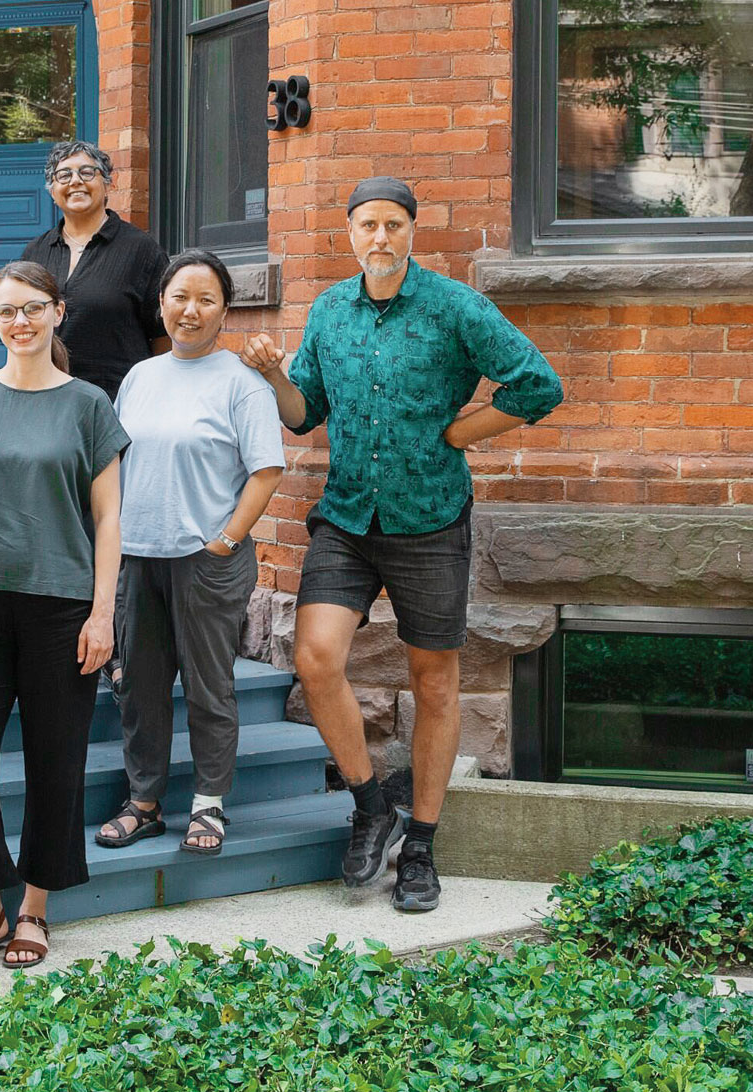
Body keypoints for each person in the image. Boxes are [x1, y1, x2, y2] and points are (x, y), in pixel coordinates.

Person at [240, 177, 563, 914]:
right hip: (349, 519)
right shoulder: (329, 311)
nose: (379, 237)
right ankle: (368, 805)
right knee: (315, 656)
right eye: (366, 225)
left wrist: (463, 431)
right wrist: (271, 374)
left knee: (435, 682)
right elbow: (302, 415)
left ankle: (420, 841)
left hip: (429, 520)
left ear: (412, 230)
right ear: (347, 234)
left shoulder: (455, 307)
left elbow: (537, 384)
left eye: (392, 224)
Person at [0, 260, 129, 972]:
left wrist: (103, 612)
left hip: (63, 606)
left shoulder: (89, 405)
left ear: (57, 312)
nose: (19, 322)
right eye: (6, 310)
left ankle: (35, 907)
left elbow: (108, 519)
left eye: (32, 308)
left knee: (55, 761)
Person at [97, 250, 283, 857]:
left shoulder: (242, 383)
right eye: (179, 297)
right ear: (161, 304)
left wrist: (225, 539)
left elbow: (265, 472)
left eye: (206, 299)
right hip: (138, 556)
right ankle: (144, 803)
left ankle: (209, 803)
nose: (191, 310)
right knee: (141, 688)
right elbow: (117, 463)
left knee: (209, 687)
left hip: (208, 560)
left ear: (225, 309)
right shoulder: (141, 377)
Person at [18, 141, 168, 398]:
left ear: (107, 183)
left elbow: (163, 337)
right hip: (47, 399)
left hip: (119, 401)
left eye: (87, 172)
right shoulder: (35, 253)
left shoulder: (141, 251)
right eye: (63, 175)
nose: (75, 181)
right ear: (52, 191)